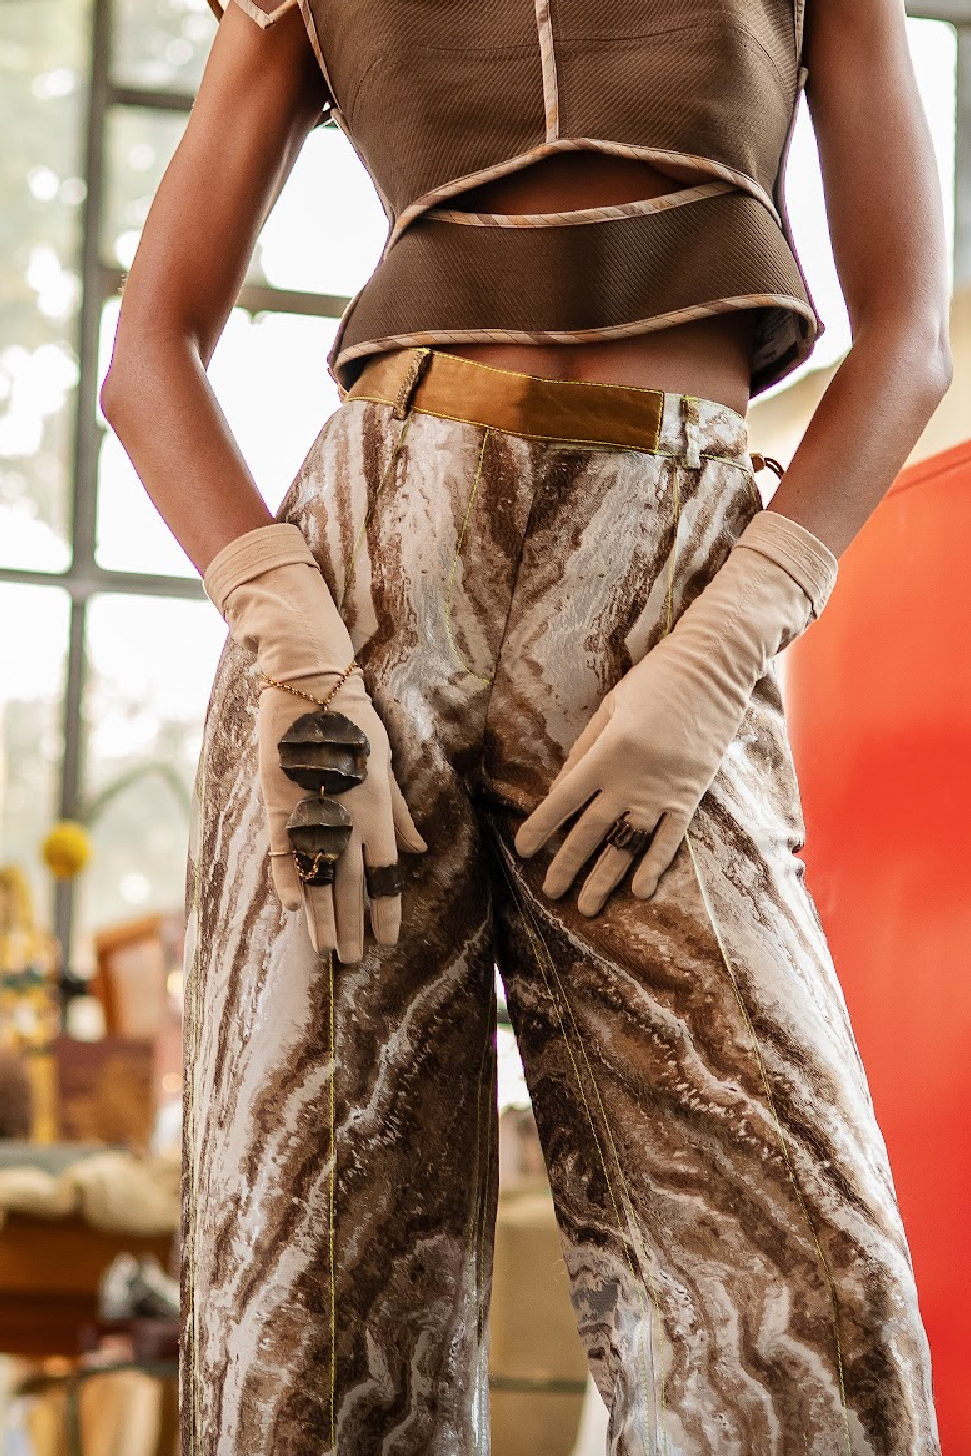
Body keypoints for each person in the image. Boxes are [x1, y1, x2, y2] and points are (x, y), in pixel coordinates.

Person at [100, 0, 951, 1450]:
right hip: (364, 595)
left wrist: (728, 645)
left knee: (814, 1302)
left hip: (671, 589)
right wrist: (294, 642)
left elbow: (907, 343)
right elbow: (147, 357)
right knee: (313, 1301)